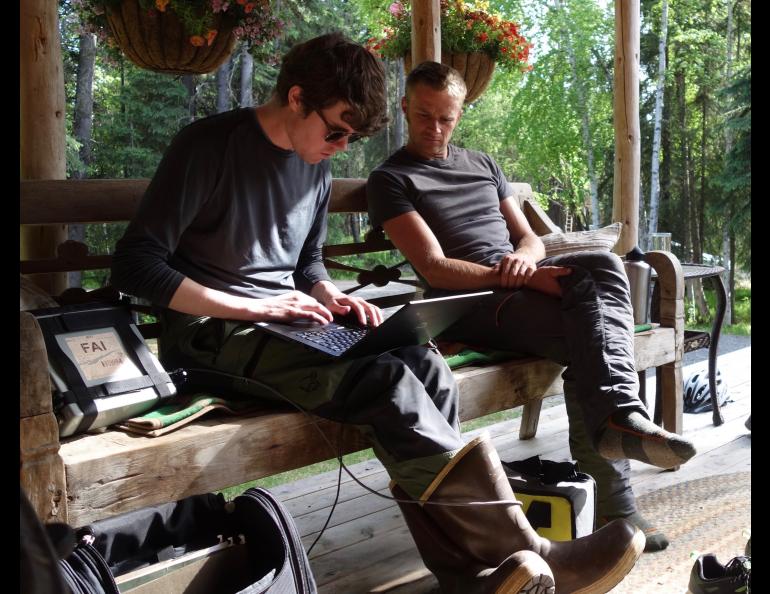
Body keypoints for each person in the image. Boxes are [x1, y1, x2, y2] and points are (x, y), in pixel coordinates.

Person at [112, 34, 643, 594]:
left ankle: (468, 578)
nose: (340, 148)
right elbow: (136, 264)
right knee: (389, 383)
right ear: (296, 98)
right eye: (336, 130)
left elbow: (305, 262)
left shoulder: (313, 169)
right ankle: (526, 549)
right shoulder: (208, 146)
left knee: (423, 362)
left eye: (354, 137)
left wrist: (327, 294)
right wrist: (250, 304)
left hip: (287, 325)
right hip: (211, 335)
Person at [367, 61, 697, 554]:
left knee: (600, 268)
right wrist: (520, 277)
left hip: (517, 288)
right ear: (404, 108)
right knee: (591, 336)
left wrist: (524, 259)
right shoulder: (391, 178)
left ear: (461, 112)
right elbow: (434, 268)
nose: (435, 129)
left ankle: (618, 419)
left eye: (446, 118)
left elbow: (527, 235)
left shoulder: (482, 164)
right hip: (470, 304)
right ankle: (619, 493)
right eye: (423, 116)